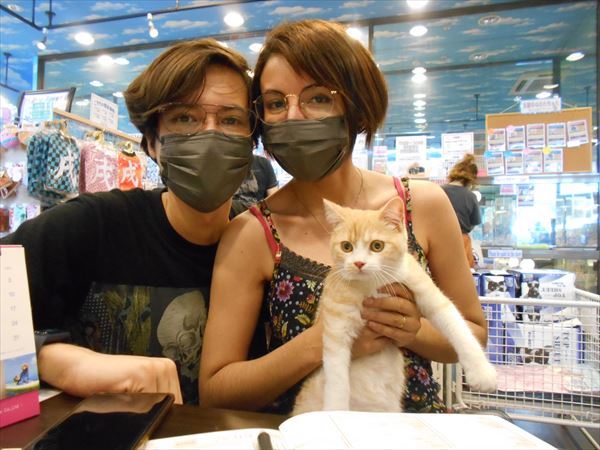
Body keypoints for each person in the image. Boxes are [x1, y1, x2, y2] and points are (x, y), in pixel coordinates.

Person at [200, 20, 487, 414]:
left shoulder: (421, 205)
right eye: (276, 103)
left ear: (358, 108)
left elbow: (474, 334)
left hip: (414, 432)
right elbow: (217, 391)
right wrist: (322, 341)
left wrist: (413, 329)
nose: (293, 116)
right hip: (312, 430)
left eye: (317, 98)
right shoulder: (252, 232)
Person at [0, 39, 256, 405]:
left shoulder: (266, 244)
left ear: (251, 143)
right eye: (185, 118)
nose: (209, 135)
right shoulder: (90, 226)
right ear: (151, 142)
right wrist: (52, 359)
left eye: (231, 120)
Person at [441, 154, 482, 268]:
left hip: (439, 241)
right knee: (464, 273)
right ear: (471, 179)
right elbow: (474, 222)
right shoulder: (470, 196)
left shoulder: (439, 191)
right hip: (462, 242)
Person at [230, 153, 278, 218]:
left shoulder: (263, 162)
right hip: (231, 217)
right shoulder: (223, 166)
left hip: (259, 216)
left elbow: (274, 200)